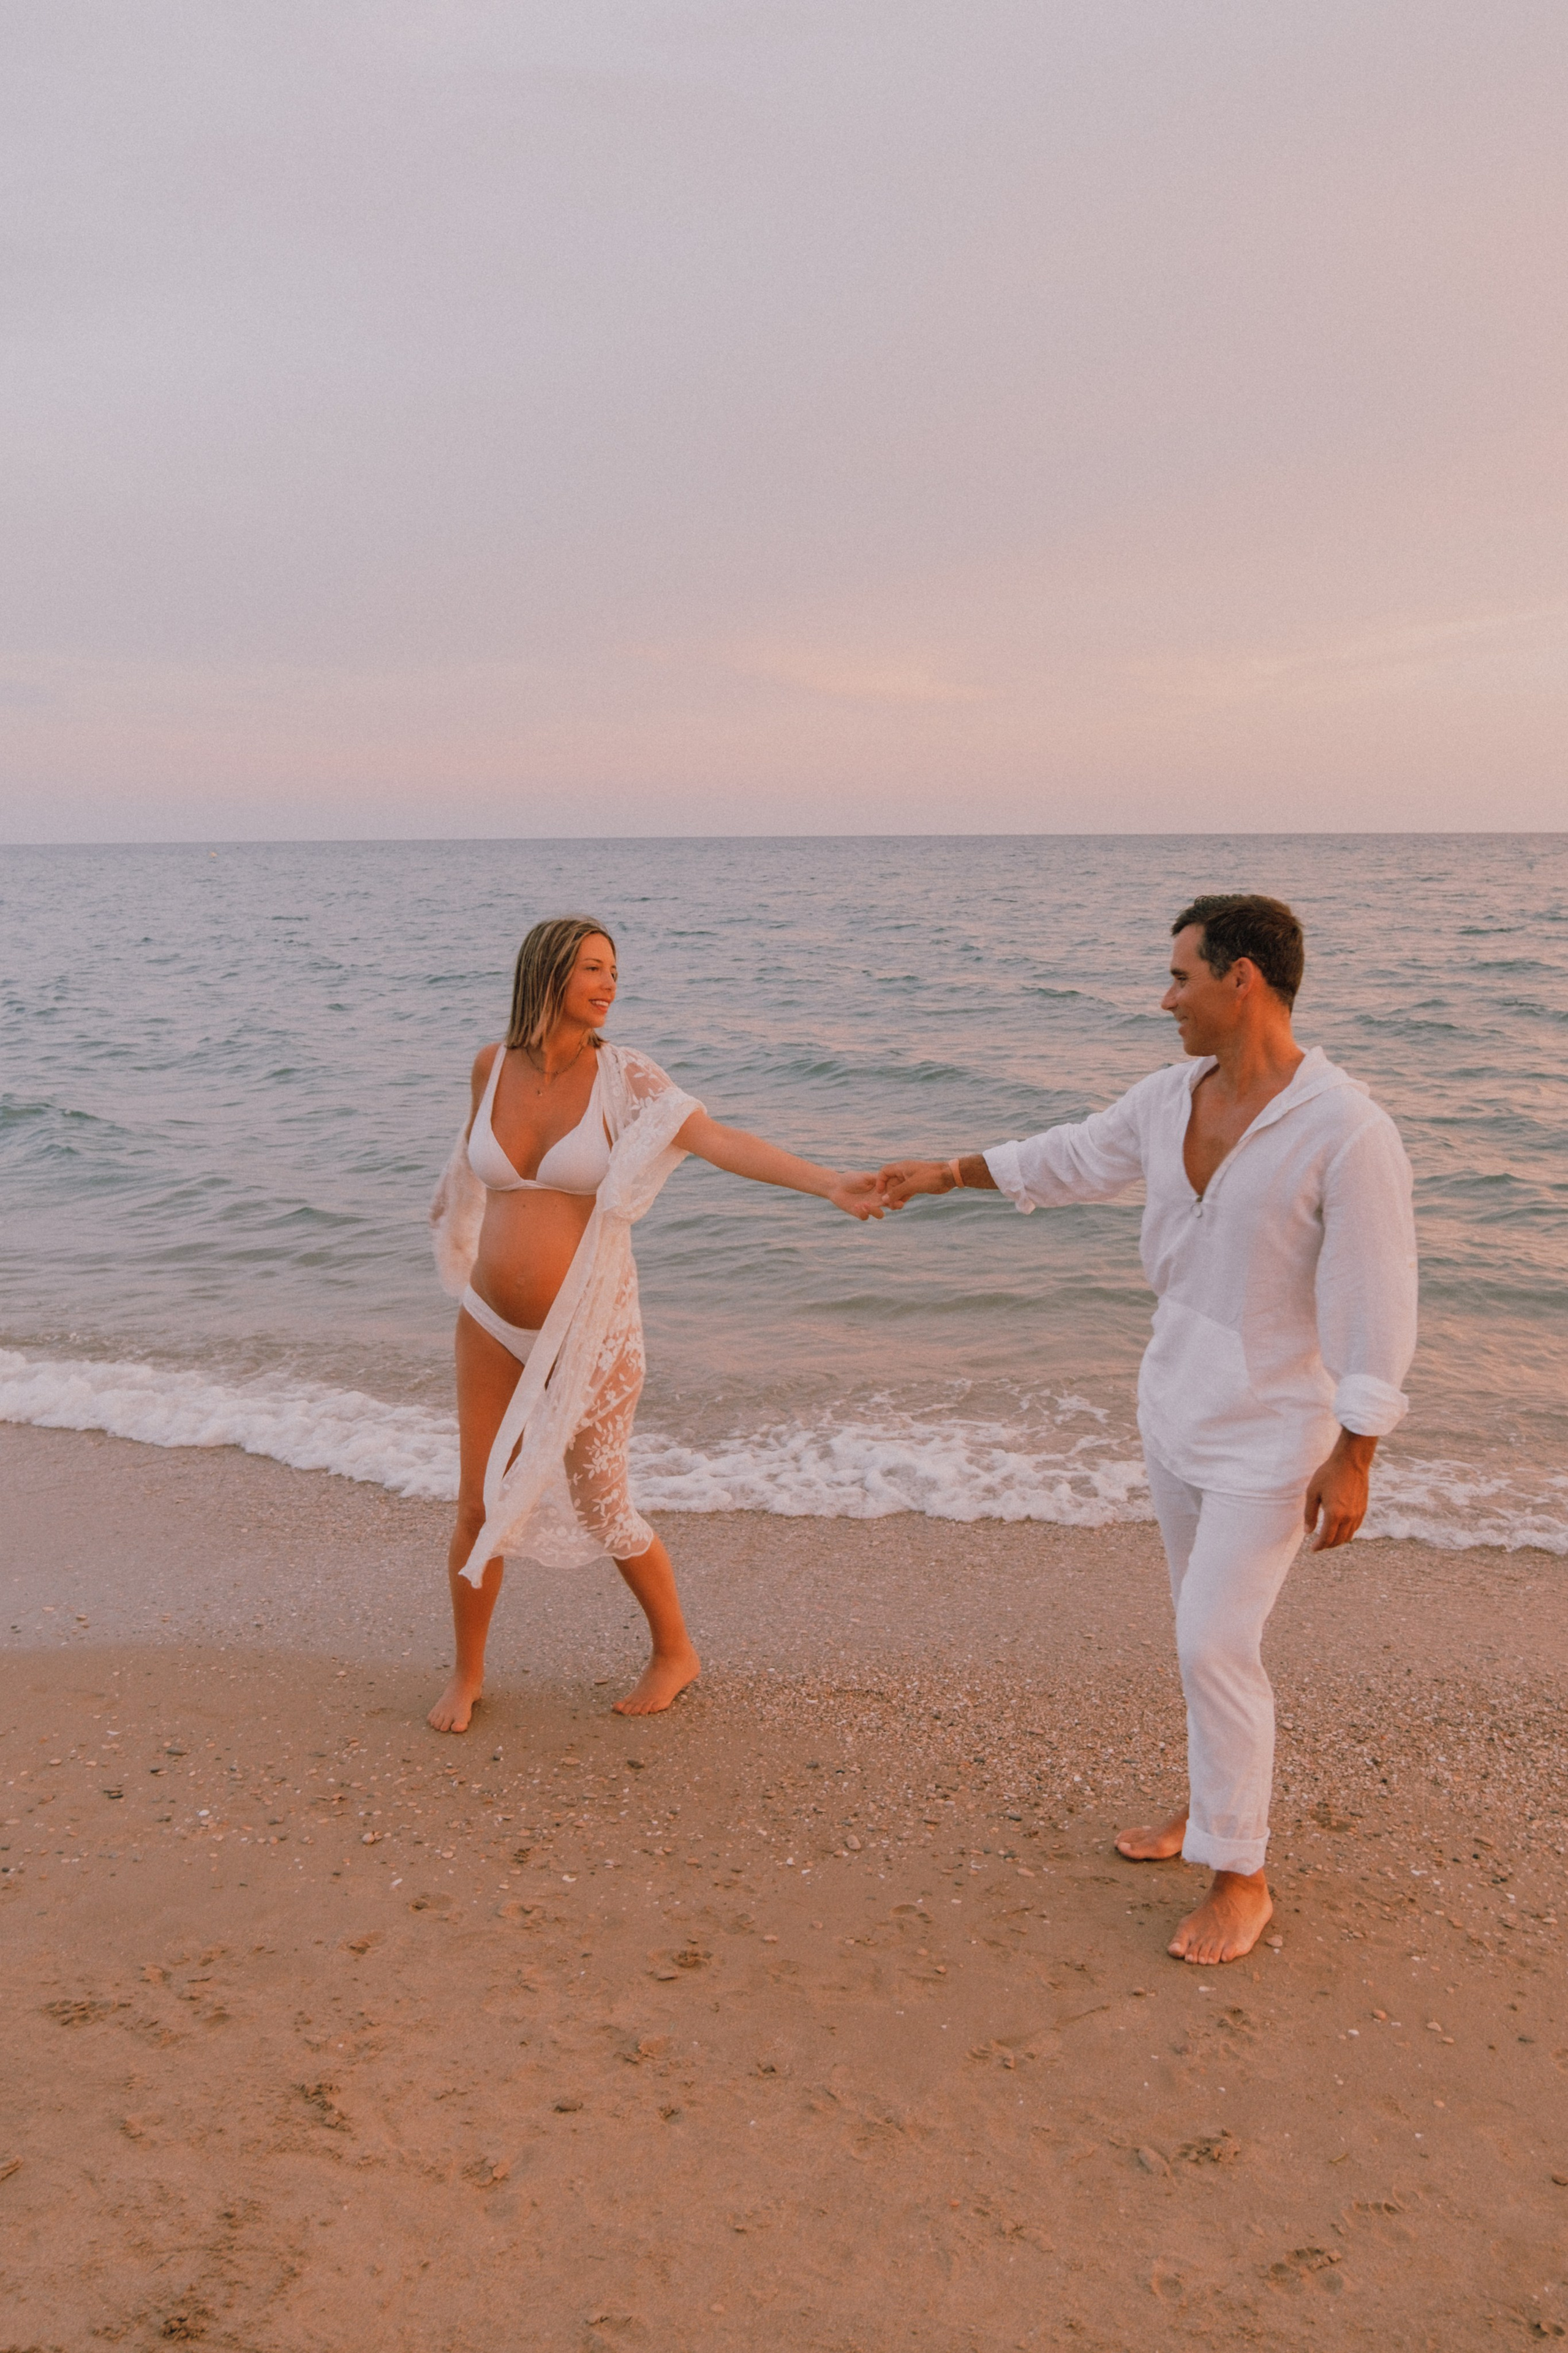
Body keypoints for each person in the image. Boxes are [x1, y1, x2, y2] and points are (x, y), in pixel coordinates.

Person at [876, 895, 1417, 1966]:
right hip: (1173, 1404)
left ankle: (1242, 1874)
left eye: (1180, 977)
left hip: (1275, 1432)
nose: (1165, 998)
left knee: (1215, 1641)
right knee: (1194, 1625)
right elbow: (1072, 1155)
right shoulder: (1171, 1096)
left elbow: (1378, 1293)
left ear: (1242, 978)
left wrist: (1356, 1449)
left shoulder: (1348, 1128)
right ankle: (1210, 1806)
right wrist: (942, 1172)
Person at [428, 913, 883, 1735]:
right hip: (489, 1320)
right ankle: (467, 1673)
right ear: (548, 971)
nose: (610, 984)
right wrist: (449, 1225)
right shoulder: (490, 1065)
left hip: (591, 1328)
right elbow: (469, 1167)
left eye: (614, 971)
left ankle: (676, 1652)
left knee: (605, 1506)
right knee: (476, 1504)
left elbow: (716, 1139)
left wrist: (829, 1184)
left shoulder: (625, 1077)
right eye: (594, 968)